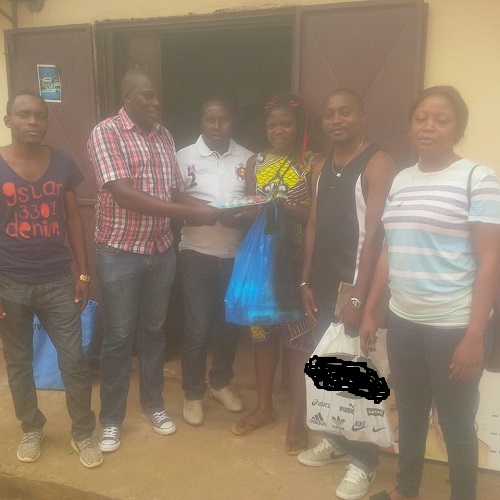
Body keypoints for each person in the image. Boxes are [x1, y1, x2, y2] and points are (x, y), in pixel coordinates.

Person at [360, 86, 500, 500]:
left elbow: (490, 259)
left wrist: (475, 336)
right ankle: (406, 490)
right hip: (404, 321)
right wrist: (371, 309)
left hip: (452, 327)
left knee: (455, 423)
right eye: (421, 118)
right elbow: (389, 249)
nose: (429, 126)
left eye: (442, 119)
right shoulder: (402, 180)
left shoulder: (478, 179)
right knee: (411, 412)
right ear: (410, 127)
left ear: (458, 128)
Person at [88, 68, 217, 453]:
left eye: (158, 96)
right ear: (127, 97)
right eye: (147, 95)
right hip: (120, 252)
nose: (156, 102)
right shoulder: (106, 133)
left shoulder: (164, 136)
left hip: (160, 250)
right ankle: (111, 420)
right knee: (118, 337)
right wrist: (188, 213)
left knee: (154, 332)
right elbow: (124, 195)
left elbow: (173, 190)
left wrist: (214, 208)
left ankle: (153, 405)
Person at [298, 89, 396, 500]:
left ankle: (365, 461)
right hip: (324, 284)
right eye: (329, 114)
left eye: (345, 112)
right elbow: (314, 225)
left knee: (359, 375)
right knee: (329, 369)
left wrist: (359, 297)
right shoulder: (320, 165)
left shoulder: (377, 163)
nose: (336, 120)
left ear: (361, 115)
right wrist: (305, 280)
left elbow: (375, 235)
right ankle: (338, 440)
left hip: (356, 286)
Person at [0, 91, 103, 468]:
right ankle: (32, 427)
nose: (33, 121)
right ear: (9, 120)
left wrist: (83, 271)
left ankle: (82, 433)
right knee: (18, 362)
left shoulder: (62, 163)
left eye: (40, 115)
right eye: (23, 114)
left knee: (74, 360)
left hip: (59, 280)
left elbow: (74, 218)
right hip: (9, 282)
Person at [231, 93, 318, 454]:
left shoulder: (312, 161)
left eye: (286, 124)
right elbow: (252, 209)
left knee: (298, 340)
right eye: (272, 124)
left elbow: (317, 216)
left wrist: (284, 207)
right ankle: (264, 407)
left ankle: (298, 417)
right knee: (262, 335)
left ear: (299, 126)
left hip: (295, 261)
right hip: (261, 260)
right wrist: (241, 210)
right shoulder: (256, 162)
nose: (278, 130)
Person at [172, 98, 253, 426]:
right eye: (210, 120)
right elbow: (171, 195)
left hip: (235, 256)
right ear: (201, 122)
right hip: (196, 254)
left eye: (223, 120)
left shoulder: (248, 158)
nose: (217, 126)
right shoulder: (183, 156)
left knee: (229, 325)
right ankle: (193, 393)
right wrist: (199, 209)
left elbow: (254, 202)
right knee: (197, 327)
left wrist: (241, 216)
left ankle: (220, 383)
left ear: (232, 122)